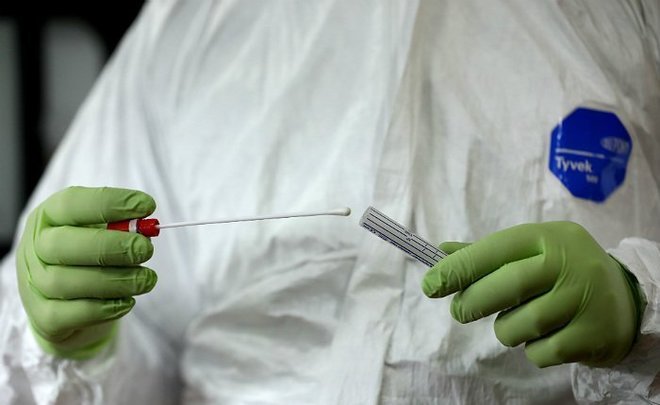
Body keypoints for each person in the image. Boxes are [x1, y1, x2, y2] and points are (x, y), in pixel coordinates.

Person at [1, 1, 659, 403]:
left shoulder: (625, 19)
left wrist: (642, 305)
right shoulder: (193, 23)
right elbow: (74, 345)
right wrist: (76, 346)